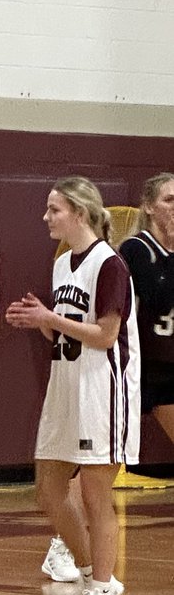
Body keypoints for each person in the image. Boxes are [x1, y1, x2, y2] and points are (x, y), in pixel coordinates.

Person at [6, 176, 139, 595]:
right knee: (48, 488)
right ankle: (91, 574)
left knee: (97, 496)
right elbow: (67, 328)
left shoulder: (110, 264)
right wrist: (40, 321)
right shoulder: (63, 264)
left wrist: (50, 317)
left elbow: (105, 334)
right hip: (65, 387)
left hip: (102, 390)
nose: (46, 217)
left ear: (79, 213)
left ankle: (101, 593)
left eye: (54, 209)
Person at [119, 173, 174, 446]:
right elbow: (155, 297)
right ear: (149, 206)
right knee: (106, 455)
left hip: (170, 364)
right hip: (144, 366)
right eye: (169, 200)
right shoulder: (136, 249)